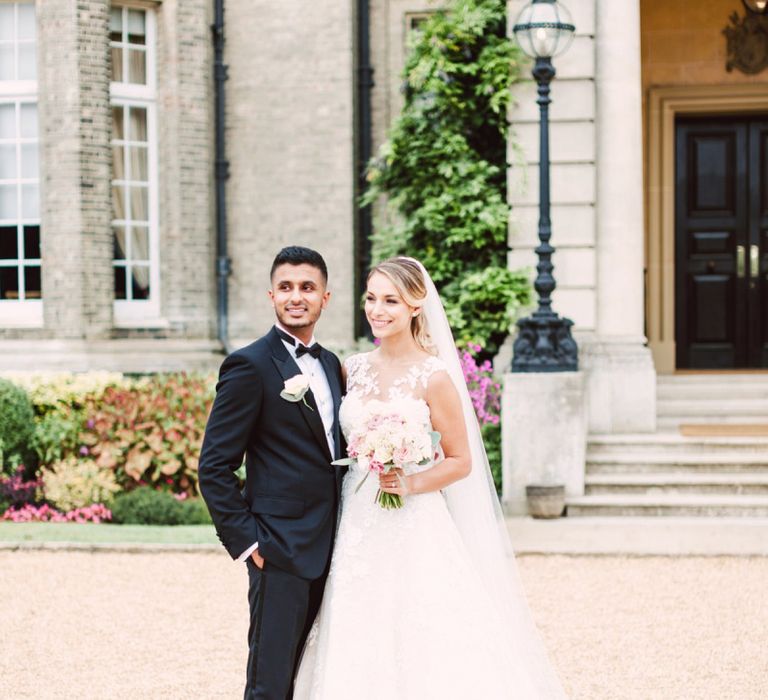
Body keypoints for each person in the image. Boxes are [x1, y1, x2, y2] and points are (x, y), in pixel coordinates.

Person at [294, 256, 566, 699]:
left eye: (390, 301)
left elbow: (460, 460)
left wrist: (410, 482)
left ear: (416, 306)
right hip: (357, 522)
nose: (377, 310)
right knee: (358, 618)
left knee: (423, 624)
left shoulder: (433, 376)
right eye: (371, 298)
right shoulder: (352, 368)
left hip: (414, 521)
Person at [199, 246, 344, 700]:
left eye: (307, 287)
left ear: (325, 296)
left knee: (315, 677)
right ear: (271, 295)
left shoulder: (331, 365)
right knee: (270, 682)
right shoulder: (250, 365)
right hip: (280, 550)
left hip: (338, 546)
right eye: (286, 287)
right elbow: (214, 465)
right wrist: (249, 542)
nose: (296, 296)